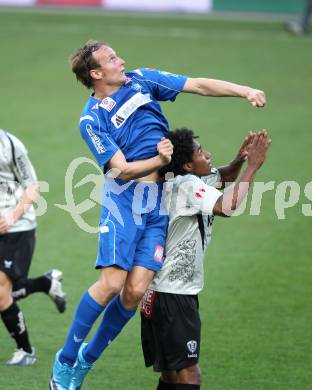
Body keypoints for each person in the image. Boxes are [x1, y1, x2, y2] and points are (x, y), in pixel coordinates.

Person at [50, 39, 266, 390]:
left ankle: (86, 361)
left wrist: (244, 90)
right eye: (111, 59)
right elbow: (118, 169)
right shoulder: (92, 119)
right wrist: (160, 161)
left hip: (158, 204)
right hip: (124, 203)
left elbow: (196, 84)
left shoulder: (142, 80)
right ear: (95, 73)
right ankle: (66, 359)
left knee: (135, 292)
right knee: (112, 284)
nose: (121, 61)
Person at [140, 128, 271, 390]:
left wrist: (239, 161)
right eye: (200, 152)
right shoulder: (187, 185)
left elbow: (223, 177)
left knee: (172, 375)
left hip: (158, 293)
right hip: (174, 295)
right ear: (188, 164)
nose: (207, 154)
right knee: (189, 376)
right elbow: (226, 206)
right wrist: (253, 167)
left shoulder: (180, 178)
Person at [0, 128, 66, 366]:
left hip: (16, 228)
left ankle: (26, 351)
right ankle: (46, 283)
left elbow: (33, 187)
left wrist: (11, 217)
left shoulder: (9, 145)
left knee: (0, 292)